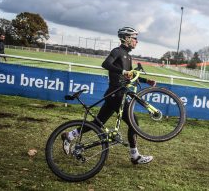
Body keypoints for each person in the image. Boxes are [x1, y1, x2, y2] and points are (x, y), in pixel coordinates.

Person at [62, 27, 156, 164]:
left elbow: (129, 76)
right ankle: (134, 156)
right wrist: (123, 71)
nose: (137, 41)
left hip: (116, 95)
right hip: (115, 94)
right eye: (135, 38)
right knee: (133, 122)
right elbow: (106, 64)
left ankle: (69, 135)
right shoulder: (117, 51)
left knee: (97, 124)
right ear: (127, 38)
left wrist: (146, 81)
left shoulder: (128, 56)